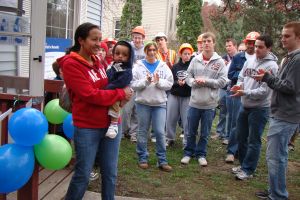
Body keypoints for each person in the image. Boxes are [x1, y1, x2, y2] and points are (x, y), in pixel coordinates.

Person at [58, 22, 133, 200]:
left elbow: (107, 85)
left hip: (111, 125)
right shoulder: (71, 64)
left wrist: (120, 91)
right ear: (81, 40)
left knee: (110, 173)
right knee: (83, 175)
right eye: (94, 39)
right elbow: (90, 95)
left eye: (100, 39)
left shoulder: (97, 60)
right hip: (88, 127)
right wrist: (121, 93)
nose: (99, 44)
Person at [254, 21, 300, 200]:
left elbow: (290, 87)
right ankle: (275, 190)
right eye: (282, 35)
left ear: (298, 37)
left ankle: (278, 195)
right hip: (282, 113)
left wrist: (268, 78)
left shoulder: (297, 60)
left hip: (286, 115)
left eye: (287, 36)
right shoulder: (290, 57)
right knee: (277, 156)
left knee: (276, 157)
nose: (282, 39)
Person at [231, 35, 278, 180]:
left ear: (269, 48)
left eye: (260, 47)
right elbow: (241, 77)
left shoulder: (272, 66)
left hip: (260, 108)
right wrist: (239, 85)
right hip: (245, 105)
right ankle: (244, 164)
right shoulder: (249, 61)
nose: (256, 49)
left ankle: (248, 170)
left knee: (254, 140)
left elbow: (264, 92)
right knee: (241, 136)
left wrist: (244, 92)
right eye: (256, 46)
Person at [180, 32, 227, 166]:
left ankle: (201, 154)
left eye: (209, 41)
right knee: (190, 131)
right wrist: (193, 82)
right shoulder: (195, 59)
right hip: (194, 102)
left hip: (209, 104)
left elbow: (223, 81)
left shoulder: (219, 62)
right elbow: (188, 76)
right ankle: (188, 153)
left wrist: (206, 81)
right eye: (204, 41)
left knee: (205, 133)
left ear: (214, 43)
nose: (206, 43)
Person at [131, 41, 173, 172]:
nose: (152, 52)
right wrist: (146, 81)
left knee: (160, 132)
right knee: (143, 131)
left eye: (154, 50)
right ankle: (142, 157)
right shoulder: (138, 66)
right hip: (143, 103)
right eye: (149, 50)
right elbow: (133, 84)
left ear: (157, 51)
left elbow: (170, 83)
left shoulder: (163, 66)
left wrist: (158, 81)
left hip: (159, 104)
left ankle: (162, 160)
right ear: (145, 52)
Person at [225, 31, 260, 163]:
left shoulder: (260, 59)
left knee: (249, 126)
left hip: (254, 95)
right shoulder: (238, 57)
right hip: (238, 93)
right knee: (236, 123)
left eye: (254, 43)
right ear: (246, 43)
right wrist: (242, 76)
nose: (251, 46)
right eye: (249, 43)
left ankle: (242, 151)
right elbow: (230, 74)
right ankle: (231, 151)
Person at [166, 43, 193, 147]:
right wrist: (178, 82)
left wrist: (187, 82)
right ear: (180, 54)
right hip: (174, 95)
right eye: (185, 53)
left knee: (187, 119)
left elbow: (193, 81)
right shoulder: (175, 67)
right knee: (170, 118)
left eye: (189, 54)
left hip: (187, 96)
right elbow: (171, 81)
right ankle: (169, 138)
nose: (187, 55)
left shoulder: (192, 66)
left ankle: (186, 141)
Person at [105, 41, 134, 138]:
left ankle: (114, 124)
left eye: (124, 55)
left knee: (115, 105)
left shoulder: (127, 69)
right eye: (117, 53)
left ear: (129, 57)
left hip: (119, 90)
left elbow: (121, 82)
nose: (120, 56)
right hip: (113, 89)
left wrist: (109, 87)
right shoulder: (114, 66)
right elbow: (108, 75)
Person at [122, 26, 146, 142]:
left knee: (137, 110)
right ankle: (124, 130)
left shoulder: (146, 50)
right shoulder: (128, 48)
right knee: (126, 109)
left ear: (143, 38)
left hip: (141, 83)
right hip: (129, 82)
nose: (137, 40)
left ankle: (133, 133)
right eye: (135, 37)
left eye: (139, 38)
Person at [212, 38, 237, 145]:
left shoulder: (238, 58)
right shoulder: (223, 58)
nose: (228, 48)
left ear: (235, 46)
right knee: (222, 110)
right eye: (226, 46)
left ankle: (228, 135)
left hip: (233, 88)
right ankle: (219, 132)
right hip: (223, 88)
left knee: (231, 113)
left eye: (230, 46)